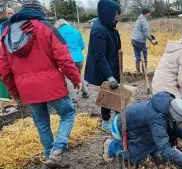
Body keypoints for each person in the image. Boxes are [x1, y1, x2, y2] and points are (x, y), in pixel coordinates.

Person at [0, 0, 82, 167]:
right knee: (67, 114)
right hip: (51, 84)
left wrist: (15, 92)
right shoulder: (47, 27)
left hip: (27, 89)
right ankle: (57, 150)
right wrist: (75, 79)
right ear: (39, 11)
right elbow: (64, 59)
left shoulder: (6, 32)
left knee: (42, 123)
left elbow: (4, 68)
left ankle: (50, 157)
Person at [103, 92, 182, 169]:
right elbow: (164, 149)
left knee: (157, 139)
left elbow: (171, 125)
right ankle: (110, 146)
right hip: (120, 127)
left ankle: (151, 152)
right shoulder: (156, 119)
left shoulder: (165, 105)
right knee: (136, 152)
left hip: (133, 124)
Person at [84, 0, 121, 133]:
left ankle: (118, 118)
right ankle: (105, 122)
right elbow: (100, 56)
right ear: (108, 12)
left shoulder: (108, 26)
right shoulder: (98, 30)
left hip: (113, 65)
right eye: (116, 13)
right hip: (104, 69)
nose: (118, 16)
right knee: (108, 92)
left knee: (116, 93)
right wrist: (110, 76)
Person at [55, 19, 89, 100]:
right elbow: (82, 46)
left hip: (67, 59)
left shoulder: (58, 33)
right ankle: (85, 92)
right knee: (79, 74)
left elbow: (56, 48)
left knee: (68, 78)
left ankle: (73, 99)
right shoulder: (76, 31)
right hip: (79, 59)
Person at [132, 8, 158, 73]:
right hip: (140, 41)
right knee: (144, 56)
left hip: (134, 40)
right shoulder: (144, 21)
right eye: (149, 13)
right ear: (146, 13)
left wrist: (150, 35)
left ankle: (138, 72)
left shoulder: (139, 19)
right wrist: (152, 40)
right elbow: (145, 33)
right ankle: (144, 72)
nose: (150, 14)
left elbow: (141, 30)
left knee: (137, 56)